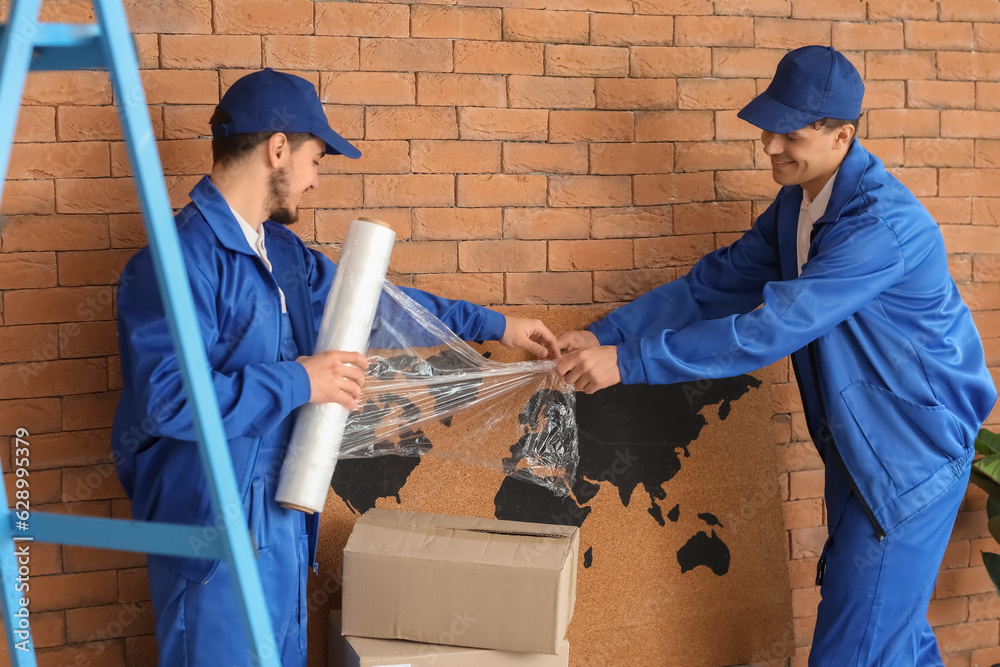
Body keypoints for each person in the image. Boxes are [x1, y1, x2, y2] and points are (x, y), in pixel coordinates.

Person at [555, 45, 997, 665]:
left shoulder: (880, 228)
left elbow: (772, 328)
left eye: (788, 134)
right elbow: (715, 286)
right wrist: (608, 335)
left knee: (855, 648)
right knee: (892, 640)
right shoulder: (800, 204)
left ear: (841, 136)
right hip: (860, 448)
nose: (769, 147)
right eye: (767, 129)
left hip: (908, 459)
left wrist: (630, 363)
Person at [111, 68, 560, 666]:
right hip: (211, 536)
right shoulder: (177, 260)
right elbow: (167, 399)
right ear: (278, 148)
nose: (316, 180)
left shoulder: (284, 254)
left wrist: (496, 325)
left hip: (283, 515)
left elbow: (375, 305)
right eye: (316, 158)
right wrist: (304, 378)